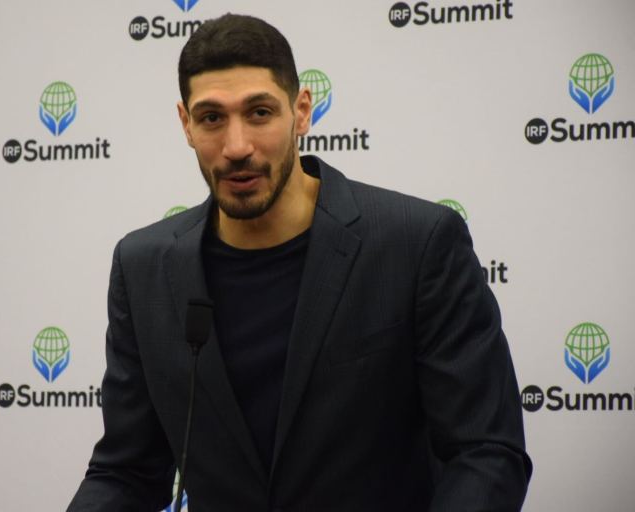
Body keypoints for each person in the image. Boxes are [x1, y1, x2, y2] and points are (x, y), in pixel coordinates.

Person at [67, 13, 532, 512]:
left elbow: (485, 452)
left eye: (260, 113)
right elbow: (126, 471)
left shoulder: (417, 244)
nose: (237, 146)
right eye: (212, 118)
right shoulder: (143, 268)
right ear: (186, 123)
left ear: (302, 111)